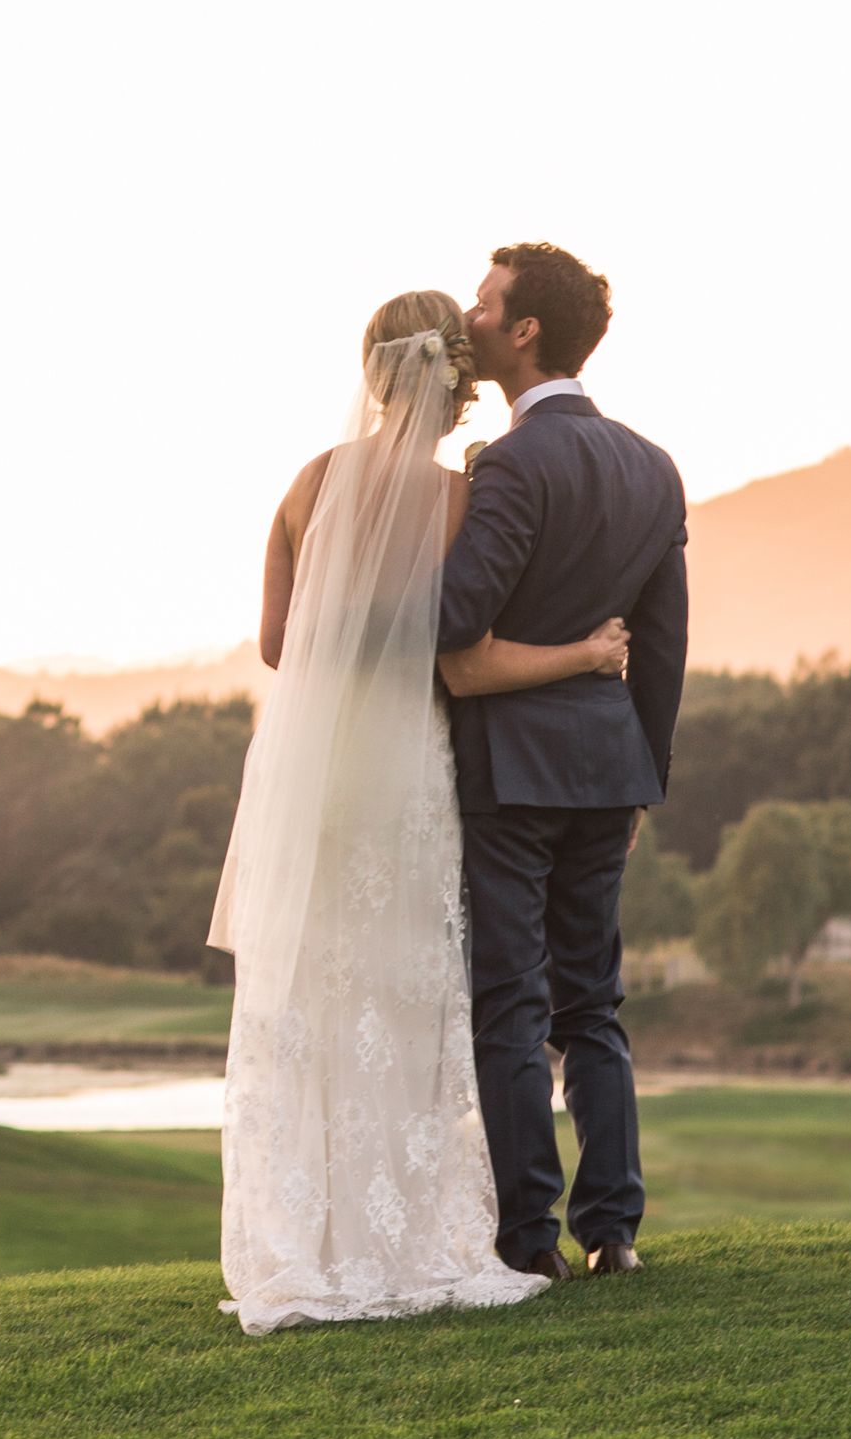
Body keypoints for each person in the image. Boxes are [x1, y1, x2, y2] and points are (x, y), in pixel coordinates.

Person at [206, 286, 636, 1330]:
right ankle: (409, 1231)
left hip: (313, 778)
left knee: (312, 999)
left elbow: (278, 645)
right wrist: (584, 653)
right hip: (405, 775)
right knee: (407, 999)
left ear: (373, 372)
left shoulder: (310, 485)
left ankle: (306, 1242)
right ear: (455, 381)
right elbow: (466, 661)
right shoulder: (456, 498)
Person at [439, 242, 688, 1282]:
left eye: (485, 303)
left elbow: (456, 618)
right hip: (609, 768)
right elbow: (666, 644)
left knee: (512, 1000)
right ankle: (615, 1230)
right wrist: (647, 775)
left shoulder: (511, 465)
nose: (471, 313)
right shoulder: (652, 466)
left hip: (513, 769)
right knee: (594, 1001)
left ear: (524, 329)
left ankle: (527, 1239)